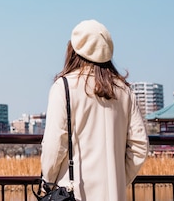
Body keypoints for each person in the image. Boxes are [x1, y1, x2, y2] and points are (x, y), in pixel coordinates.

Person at [40, 19, 148, 201]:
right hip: (114, 193)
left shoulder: (64, 86)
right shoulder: (124, 90)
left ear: (73, 50)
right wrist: (118, 180)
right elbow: (139, 147)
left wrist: (48, 183)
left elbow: (54, 143)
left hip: (72, 193)